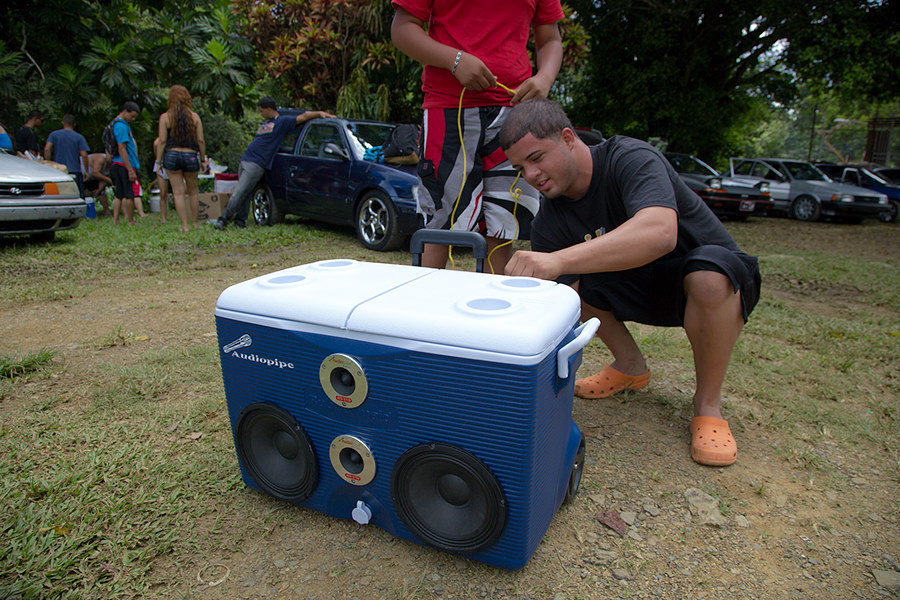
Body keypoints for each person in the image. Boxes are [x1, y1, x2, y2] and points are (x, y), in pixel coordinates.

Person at [498, 99, 761, 467]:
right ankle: (630, 367)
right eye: (520, 168)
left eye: (537, 157)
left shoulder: (629, 156)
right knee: (566, 293)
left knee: (708, 275)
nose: (531, 175)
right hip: (641, 287)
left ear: (569, 138)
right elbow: (558, 308)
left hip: (712, 285)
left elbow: (660, 233)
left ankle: (708, 407)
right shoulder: (549, 221)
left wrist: (558, 260)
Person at [390, 0, 564, 274]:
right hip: (449, 109)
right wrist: (454, 60)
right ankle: (422, 309)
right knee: (440, 223)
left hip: (514, 111)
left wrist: (545, 78)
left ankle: (493, 311)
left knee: (503, 224)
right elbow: (402, 29)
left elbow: (550, 38)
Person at [213, 97, 333, 230]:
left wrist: (319, 113)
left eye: (261, 111)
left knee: (240, 192)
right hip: (246, 159)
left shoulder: (282, 122)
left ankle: (222, 220)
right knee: (245, 193)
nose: (260, 114)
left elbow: (303, 117)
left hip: (256, 163)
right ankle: (240, 222)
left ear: (269, 109)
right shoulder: (266, 123)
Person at [156, 85, 205, 231]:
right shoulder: (194, 117)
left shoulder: (165, 117)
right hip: (190, 155)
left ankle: (184, 226)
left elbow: (162, 141)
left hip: (172, 155)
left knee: (177, 192)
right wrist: (202, 160)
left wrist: (158, 161)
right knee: (193, 191)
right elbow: (201, 140)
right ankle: (195, 222)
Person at [109, 101, 141, 225]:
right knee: (130, 194)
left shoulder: (114, 124)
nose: (132, 119)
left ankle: (116, 220)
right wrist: (130, 170)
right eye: (131, 116)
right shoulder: (121, 126)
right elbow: (122, 148)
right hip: (124, 164)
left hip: (116, 163)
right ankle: (130, 220)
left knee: (119, 194)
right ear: (125, 111)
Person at [43, 114, 90, 197]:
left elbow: (47, 149)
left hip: (58, 170)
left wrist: (49, 163)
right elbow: (84, 155)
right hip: (74, 170)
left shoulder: (54, 135)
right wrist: (86, 170)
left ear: (63, 123)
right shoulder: (79, 137)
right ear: (74, 124)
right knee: (76, 196)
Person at [152, 137, 170, 223]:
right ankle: (163, 217)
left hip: (172, 164)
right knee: (163, 193)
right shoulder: (157, 142)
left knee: (180, 191)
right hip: (162, 166)